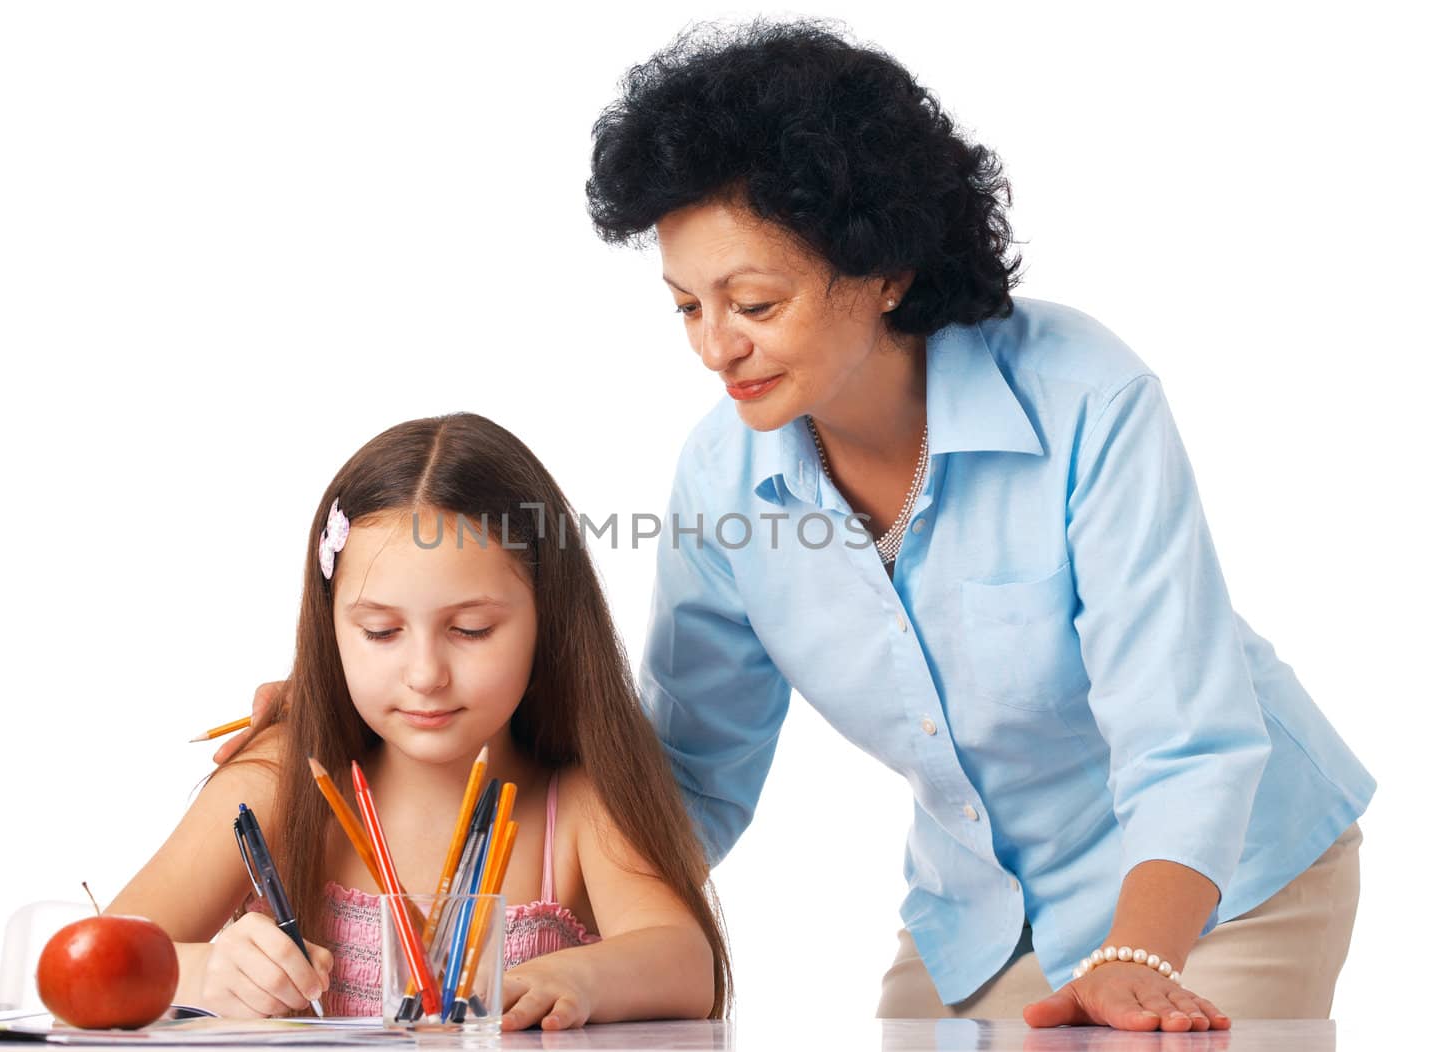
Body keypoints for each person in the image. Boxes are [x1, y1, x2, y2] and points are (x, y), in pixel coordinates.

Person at [579, 19, 1373, 1031]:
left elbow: (1184, 732)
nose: (715, 346)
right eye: (686, 305)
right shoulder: (721, 475)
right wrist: (538, 924)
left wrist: (1135, 955)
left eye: (754, 301)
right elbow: (692, 766)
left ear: (884, 270)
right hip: (980, 912)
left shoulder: (1083, 397)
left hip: (1221, 885)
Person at [113, 413, 727, 1030]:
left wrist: (575, 978)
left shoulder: (575, 807)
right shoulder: (277, 781)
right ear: (331, 629)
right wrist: (202, 972)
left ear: (550, 620)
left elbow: (684, 962)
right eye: (381, 632)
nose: (426, 673)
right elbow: (86, 958)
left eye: (471, 630)